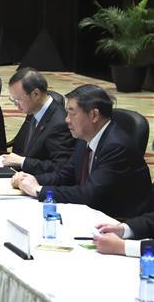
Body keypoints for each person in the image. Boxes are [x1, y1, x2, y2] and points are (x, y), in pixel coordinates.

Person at [11, 84, 152, 219]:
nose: (67, 120)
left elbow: (90, 194)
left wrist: (39, 190)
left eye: (72, 114)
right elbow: (65, 175)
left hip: (119, 220)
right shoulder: (85, 137)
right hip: (93, 211)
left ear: (94, 115)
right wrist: (30, 180)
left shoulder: (116, 146)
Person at [0, 68, 74, 175]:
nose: (16, 104)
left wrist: (23, 162)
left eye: (18, 99)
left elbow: (60, 167)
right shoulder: (34, 110)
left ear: (36, 94)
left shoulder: (59, 123)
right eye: (13, 100)